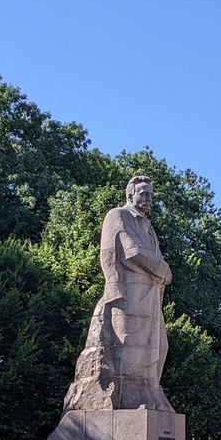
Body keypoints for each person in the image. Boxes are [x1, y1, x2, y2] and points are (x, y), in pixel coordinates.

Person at [62, 176, 173, 412]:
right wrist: (161, 269)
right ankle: (131, 399)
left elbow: (157, 259)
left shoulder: (148, 227)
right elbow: (131, 252)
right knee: (129, 343)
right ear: (130, 194)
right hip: (128, 291)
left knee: (158, 346)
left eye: (150, 195)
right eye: (143, 193)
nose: (148, 199)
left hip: (151, 294)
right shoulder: (118, 215)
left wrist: (162, 270)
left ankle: (151, 394)